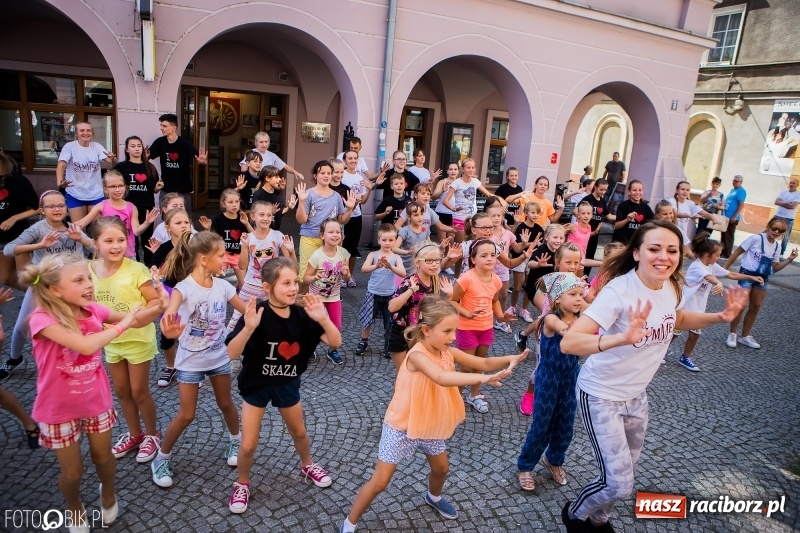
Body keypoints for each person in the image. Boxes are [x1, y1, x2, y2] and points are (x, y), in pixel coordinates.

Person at [559, 220, 747, 532]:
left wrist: (720, 316)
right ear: (636, 253)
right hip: (601, 393)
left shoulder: (672, 285)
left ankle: (599, 519)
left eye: (672, 250)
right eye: (654, 249)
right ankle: (576, 514)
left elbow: (679, 317)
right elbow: (570, 342)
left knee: (626, 474)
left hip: (637, 395)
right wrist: (620, 338)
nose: (664, 256)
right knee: (618, 483)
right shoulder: (618, 292)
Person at [341, 295, 527, 533]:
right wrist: (483, 380)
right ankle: (349, 523)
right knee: (380, 482)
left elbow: (482, 362)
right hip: (402, 425)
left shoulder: (446, 350)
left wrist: (511, 358)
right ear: (427, 330)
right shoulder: (417, 355)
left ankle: (433, 497)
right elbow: (442, 378)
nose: (453, 337)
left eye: (455, 330)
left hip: (430, 421)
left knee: (441, 469)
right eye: (448, 331)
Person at [23, 253, 154, 531]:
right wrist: (123, 325)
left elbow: (138, 319)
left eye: (89, 278)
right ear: (54, 290)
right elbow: (85, 345)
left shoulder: (94, 309)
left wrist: (162, 305)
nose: (89, 285)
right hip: (58, 409)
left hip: (96, 400)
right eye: (79, 280)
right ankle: (75, 509)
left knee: (103, 458)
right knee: (72, 472)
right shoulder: (41, 319)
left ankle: (108, 493)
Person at [225, 259, 340, 514]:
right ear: (267, 287)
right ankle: (242, 482)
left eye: (294, 282)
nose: (293, 288)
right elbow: (232, 353)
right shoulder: (256, 314)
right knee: (248, 444)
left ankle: (307, 464)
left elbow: (336, 340)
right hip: (256, 385)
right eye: (286, 283)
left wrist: (323, 318)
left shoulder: (301, 315)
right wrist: (249, 328)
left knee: (299, 432)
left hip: (287, 382)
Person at [151, 231, 248, 488]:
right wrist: (168, 328)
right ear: (204, 259)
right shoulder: (184, 288)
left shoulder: (224, 286)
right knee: (186, 415)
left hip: (218, 358)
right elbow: (170, 313)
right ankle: (161, 458)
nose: (226, 259)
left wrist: (275, 304)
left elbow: (248, 310)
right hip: (190, 362)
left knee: (226, 403)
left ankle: (235, 441)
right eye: (221, 255)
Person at [88, 217, 169, 463]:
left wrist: (141, 318)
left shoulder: (137, 269)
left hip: (137, 340)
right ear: (95, 244)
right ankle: (135, 434)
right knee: (122, 390)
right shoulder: (88, 270)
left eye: (121, 240)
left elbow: (155, 301)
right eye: (108, 240)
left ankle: (153, 435)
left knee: (139, 391)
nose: (115, 246)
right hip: (110, 340)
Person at [0, 191, 93, 381]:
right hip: (43, 284)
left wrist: (81, 239)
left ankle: (78, 361)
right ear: (42, 210)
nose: (57, 209)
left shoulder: (73, 227)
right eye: (51, 206)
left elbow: (96, 248)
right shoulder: (38, 230)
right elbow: (9, 249)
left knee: (78, 323)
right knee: (22, 325)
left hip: (73, 286)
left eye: (61, 205)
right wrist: (39, 246)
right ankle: (14, 358)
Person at [516, 272, 584, 491]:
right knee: (541, 425)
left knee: (566, 425)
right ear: (556, 299)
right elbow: (566, 332)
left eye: (580, 294)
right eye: (572, 294)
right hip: (548, 378)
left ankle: (553, 460)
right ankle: (525, 465)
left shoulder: (581, 316)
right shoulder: (551, 319)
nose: (578, 298)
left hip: (570, 377)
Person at [668, 232, 762, 372]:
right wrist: (717, 283)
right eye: (717, 255)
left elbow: (730, 274)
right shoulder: (697, 266)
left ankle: (685, 357)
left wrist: (751, 277)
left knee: (695, 334)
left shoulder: (711, 266)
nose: (719, 257)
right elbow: (708, 277)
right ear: (707, 255)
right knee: (674, 333)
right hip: (685, 306)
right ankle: (660, 352)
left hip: (698, 309)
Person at [450, 239, 512, 414]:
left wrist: (501, 315)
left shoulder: (496, 280)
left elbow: (494, 301)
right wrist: (467, 313)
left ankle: (474, 395)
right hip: (466, 328)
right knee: (466, 366)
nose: (490, 259)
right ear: (473, 259)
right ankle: (456, 398)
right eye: (484, 255)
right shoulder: (466, 279)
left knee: (480, 363)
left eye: (493, 255)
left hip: (486, 327)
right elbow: (452, 300)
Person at [722, 217, 797, 350]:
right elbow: (737, 252)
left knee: (756, 306)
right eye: (774, 228)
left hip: (763, 278)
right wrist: (724, 269)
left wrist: (789, 260)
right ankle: (732, 333)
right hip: (747, 274)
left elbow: (774, 268)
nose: (776, 231)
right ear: (768, 226)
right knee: (740, 305)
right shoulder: (755, 239)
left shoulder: (777, 246)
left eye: (781, 230)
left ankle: (745, 336)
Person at [229, 201, 295, 330]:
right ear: (253, 216)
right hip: (251, 283)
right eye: (262, 215)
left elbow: (292, 264)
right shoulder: (247, 238)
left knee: (275, 317)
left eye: (269, 215)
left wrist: (292, 251)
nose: (265, 218)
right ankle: (228, 344)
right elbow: (242, 266)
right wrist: (244, 246)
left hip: (272, 284)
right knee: (236, 319)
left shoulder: (277, 236)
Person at [387, 242, 454, 369]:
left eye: (437, 260)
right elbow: (391, 307)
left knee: (417, 373)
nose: (434, 264)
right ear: (417, 263)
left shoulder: (434, 280)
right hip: (400, 332)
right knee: (403, 373)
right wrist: (411, 290)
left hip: (420, 333)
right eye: (429, 261)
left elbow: (437, 312)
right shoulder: (409, 282)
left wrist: (449, 296)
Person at [147, 208, 193, 388]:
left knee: (191, 333)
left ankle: (190, 368)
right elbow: (152, 264)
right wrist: (154, 272)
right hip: (171, 295)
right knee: (167, 335)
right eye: (178, 223)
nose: (183, 226)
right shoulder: (165, 248)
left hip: (191, 295)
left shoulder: (195, 245)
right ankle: (171, 366)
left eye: (186, 222)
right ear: (168, 228)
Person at [294, 161, 356, 293]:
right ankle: (300, 304)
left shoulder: (336, 196)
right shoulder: (308, 194)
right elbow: (301, 219)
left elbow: (342, 220)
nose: (326, 175)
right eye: (323, 173)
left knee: (327, 273)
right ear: (315, 175)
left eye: (329, 173)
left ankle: (322, 300)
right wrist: (301, 202)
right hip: (310, 238)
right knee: (306, 274)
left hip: (329, 241)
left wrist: (349, 209)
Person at [74, 170, 159, 259]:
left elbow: (136, 231)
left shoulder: (131, 207)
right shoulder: (101, 206)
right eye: (113, 186)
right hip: (108, 251)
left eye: (120, 186)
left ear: (125, 187)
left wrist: (147, 222)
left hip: (127, 252)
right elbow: (81, 223)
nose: (117, 189)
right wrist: (61, 226)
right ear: (106, 189)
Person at [302, 219, 351, 365]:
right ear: (322, 235)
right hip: (316, 298)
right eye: (331, 232)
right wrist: (315, 277)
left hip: (334, 297)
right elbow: (305, 278)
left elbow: (347, 278)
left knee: (337, 327)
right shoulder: (317, 255)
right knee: (313, 326)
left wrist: (345, 273)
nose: (335, 235)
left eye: (338, 232)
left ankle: (332, 350)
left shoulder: (344, 253)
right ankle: (310, 349)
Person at [356, 224, 406, 357]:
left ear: (395, 241)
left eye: (391, 240)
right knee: (367, 320)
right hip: (372, 293)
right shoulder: (373, 254)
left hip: (389, 295)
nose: (387, 243)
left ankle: (388, 345)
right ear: (378, 240)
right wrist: (376, 266)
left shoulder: (396, 257)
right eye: (384, 240)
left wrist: (391, 267)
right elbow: (363, 269)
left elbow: (403, 273)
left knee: (389, 322)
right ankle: (364, 341)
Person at [114, 136, 164, 263]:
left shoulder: (150, 167)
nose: (136, 149)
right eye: (133, 146)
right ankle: (132, 265)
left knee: (147, 239)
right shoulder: (121, 167)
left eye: (139, 146)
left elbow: (153, 189)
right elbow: (115, 185)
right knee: (131, 240)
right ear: (127, 149)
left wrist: (157, 188)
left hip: (147, 208)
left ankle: (149, 266)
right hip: (128, 209)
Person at [56, 121, 117, 223]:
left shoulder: (96, 146)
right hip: (75, 193)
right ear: (76, 133)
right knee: (79, 228)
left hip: (95, 193)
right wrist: (59, 181)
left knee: (97, 228)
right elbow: (61, 164)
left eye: (88, 130)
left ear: (92, 133)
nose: (85, 133)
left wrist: (113, 158)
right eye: (82, 130)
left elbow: (111, 162)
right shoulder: (70, 147)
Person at [148, 113, 207, 215]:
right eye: (161, 126)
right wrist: (144, 156)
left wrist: (203, 161)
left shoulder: (184, 144)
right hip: (166, 189)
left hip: (183, 190)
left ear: (173, 128)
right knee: (166, 218)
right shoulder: (159, 142)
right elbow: (148, 157)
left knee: (185, 217)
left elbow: (199, 159)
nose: (161, 128)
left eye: (164, 126)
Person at [333, 155, 375, 284]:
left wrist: (368, 190)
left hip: (356, 215)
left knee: (352, 247)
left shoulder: (359, 178)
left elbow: (363, 200)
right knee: (341, 246)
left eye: (355, 159)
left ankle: (349, 275)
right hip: (341, 216)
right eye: (350, 158)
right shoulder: (341, 175)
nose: (353, 161)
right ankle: (337, 274)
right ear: (345, 161)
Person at [0, 153, 39, 289]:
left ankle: (41, 303)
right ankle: (38, 299)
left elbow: (39, 208)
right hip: (1, 240)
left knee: (27, 277)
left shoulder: (16, 180)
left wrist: (14, 218)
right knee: (6, 278)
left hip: (19, 236)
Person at [441, 158, 504, 242]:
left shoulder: (475, 182)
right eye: (468, 167)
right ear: (462, 169)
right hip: (460, 219)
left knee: (473, 245)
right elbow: (445, 201)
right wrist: (454, 209)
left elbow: (488, 194)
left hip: (473, 219)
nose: (471, 170)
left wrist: (502, 200)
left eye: (473, 168)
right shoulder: (457, 183)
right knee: (461, 245)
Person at [209, 189, 253, 290]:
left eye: (237, 202)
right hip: (222, 254)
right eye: (230, 202)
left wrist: (246, 223)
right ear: (223, 204)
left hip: (238, 254)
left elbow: (253, 236)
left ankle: (240, 301)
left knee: (244, 284)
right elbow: (212, 237)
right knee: (214, 278)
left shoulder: (243, 218)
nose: (234, 205)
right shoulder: (218, 219)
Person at [509, 202, 545, 322]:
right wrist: (532, 243)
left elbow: (540, 244)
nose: (535, 215)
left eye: (537, 213)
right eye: (532, 212)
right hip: (519, 257)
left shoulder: (539, 229)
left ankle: (524, 309)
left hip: (533, 259)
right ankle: (512, 306)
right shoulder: (520, 227)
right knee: (518, 287)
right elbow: (518, 246)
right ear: (526, 213)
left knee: (529, 286)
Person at [580, 178, 614, 275]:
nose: (603, 192)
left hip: (595, 233)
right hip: (585, 232)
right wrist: (582, 219)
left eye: (605, 190)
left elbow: (609, 215)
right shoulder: (588, 199)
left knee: (590, 255)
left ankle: (585, 277)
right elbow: (576, 210)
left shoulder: (603, 201)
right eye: (601, 189)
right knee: (582, 255)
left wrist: (623, 217)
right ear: (595, 187)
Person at [239, 132, 304, 182]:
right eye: (261, 142)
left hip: (267, 183)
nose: (264, 145)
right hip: (253, 182)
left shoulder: (272, 155)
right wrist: (247, 175)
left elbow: (285, 166)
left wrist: (296, 172)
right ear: (256, 143)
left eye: (266, 142)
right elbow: (244, 166)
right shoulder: (251, 153)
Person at [251, 165, 297, 232]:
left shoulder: (277, 193)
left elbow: (280, 212)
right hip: (260, 231)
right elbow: (255, 215)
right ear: (267, 178)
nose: (279, 179)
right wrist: (270, 212)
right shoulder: (258, 194)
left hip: (274, 231)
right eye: (276, 177)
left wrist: (289, 207)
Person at [394, 202, 432, 277]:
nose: (420, 217)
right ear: (409, 217)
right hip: (405, 268)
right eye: (416, 215)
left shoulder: (425, 230)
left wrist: (441, 246)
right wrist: (407, 252)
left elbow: (430, 246)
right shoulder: (405, 231)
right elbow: (394, 248)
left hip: (419, 267)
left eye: (421, 214)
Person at [612, 179, 653, 244]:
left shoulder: (646, 207)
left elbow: (652, 223)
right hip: (621, 242)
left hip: (636, 243)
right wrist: (627, 220)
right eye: (634, 190)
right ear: (629, 191)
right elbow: (616, 226)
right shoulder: (623, 205)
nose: (637, 193)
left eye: (640, 190)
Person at [432, 163, 459, 244]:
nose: (453, 171)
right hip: (442, 213)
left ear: (458, 171)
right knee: (443, 241)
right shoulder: (442, 182)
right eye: (450, 169)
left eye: (455, 169)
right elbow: (433, 197)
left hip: (454, 214)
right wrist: (442, 190)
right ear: (447, 171)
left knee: (451, 241)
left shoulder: (460, 182)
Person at [773, 177, 800, 258]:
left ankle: (781, 253)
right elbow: (776, 202)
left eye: (793, 183)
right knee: (770, 232)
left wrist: (782, 203)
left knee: (785, 237)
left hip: (788, 218)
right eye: (790, 183)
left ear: (797, 185)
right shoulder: (783, 192)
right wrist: (788, 203)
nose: (791, 184)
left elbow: (793, 206)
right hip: (778, 215)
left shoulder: (798, 194)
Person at [720, 175, 746, 258]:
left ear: (741, 182)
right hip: (726, 216)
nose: (734, 182)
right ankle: (722, 251)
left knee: (729, 236)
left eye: (736, 181)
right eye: (734, 180)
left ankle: (727, 253)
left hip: (732, 217)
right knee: (724, 234)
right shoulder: (733, 190)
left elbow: (741, 205)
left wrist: (734, 216)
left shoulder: (741, 191)